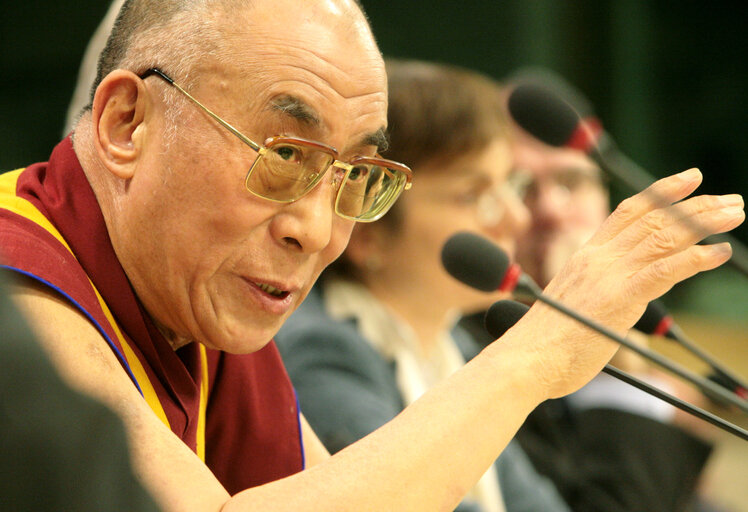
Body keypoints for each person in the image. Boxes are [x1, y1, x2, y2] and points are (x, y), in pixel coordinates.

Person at [0, 0, 743, 510]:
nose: (317, 230)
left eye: (355, 175)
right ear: (127, 123)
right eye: (285, 155)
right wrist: (542, 350)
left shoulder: (195, 309)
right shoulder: (19, 289)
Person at [275, 58, 569, 512]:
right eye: (473, 195)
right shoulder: (323, 352)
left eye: (510, 184)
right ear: (367, 228)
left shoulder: (455, 349)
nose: (517, 217)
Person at [460, 69, 722, 511]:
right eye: (520, 186)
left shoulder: (670, 356)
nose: (550, 211)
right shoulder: (464, 355)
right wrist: (624, 359)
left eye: (571, 182)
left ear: (606, 199)